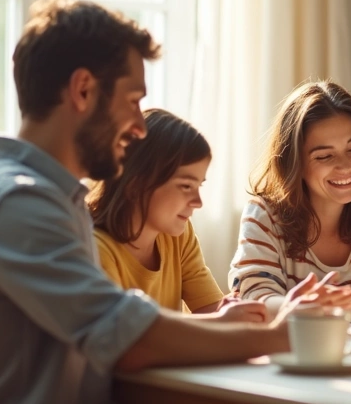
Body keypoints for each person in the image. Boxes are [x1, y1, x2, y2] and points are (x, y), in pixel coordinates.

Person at [0, 0, 332, 404]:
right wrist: (279, 336)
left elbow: (119, 324)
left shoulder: (47, 197)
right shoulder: (19, 203)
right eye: (133, 100)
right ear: (83, 90)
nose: (140, 126)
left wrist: (231, 326)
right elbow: (128, 338)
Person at [229, 81, 351, 320]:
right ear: (294, 164)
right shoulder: (264, 214)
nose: (346, 165)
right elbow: (254, 300)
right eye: (325, 156)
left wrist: (316, 306)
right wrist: (327, 306)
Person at [89, 108, 263, 320]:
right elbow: (127, 340)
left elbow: (212, 311)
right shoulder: (96, 250)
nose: (198, 202)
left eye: (199, 186)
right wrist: (222, 320)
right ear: (136, 186)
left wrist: (278, 309)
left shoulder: (178, 235)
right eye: (186, 186)